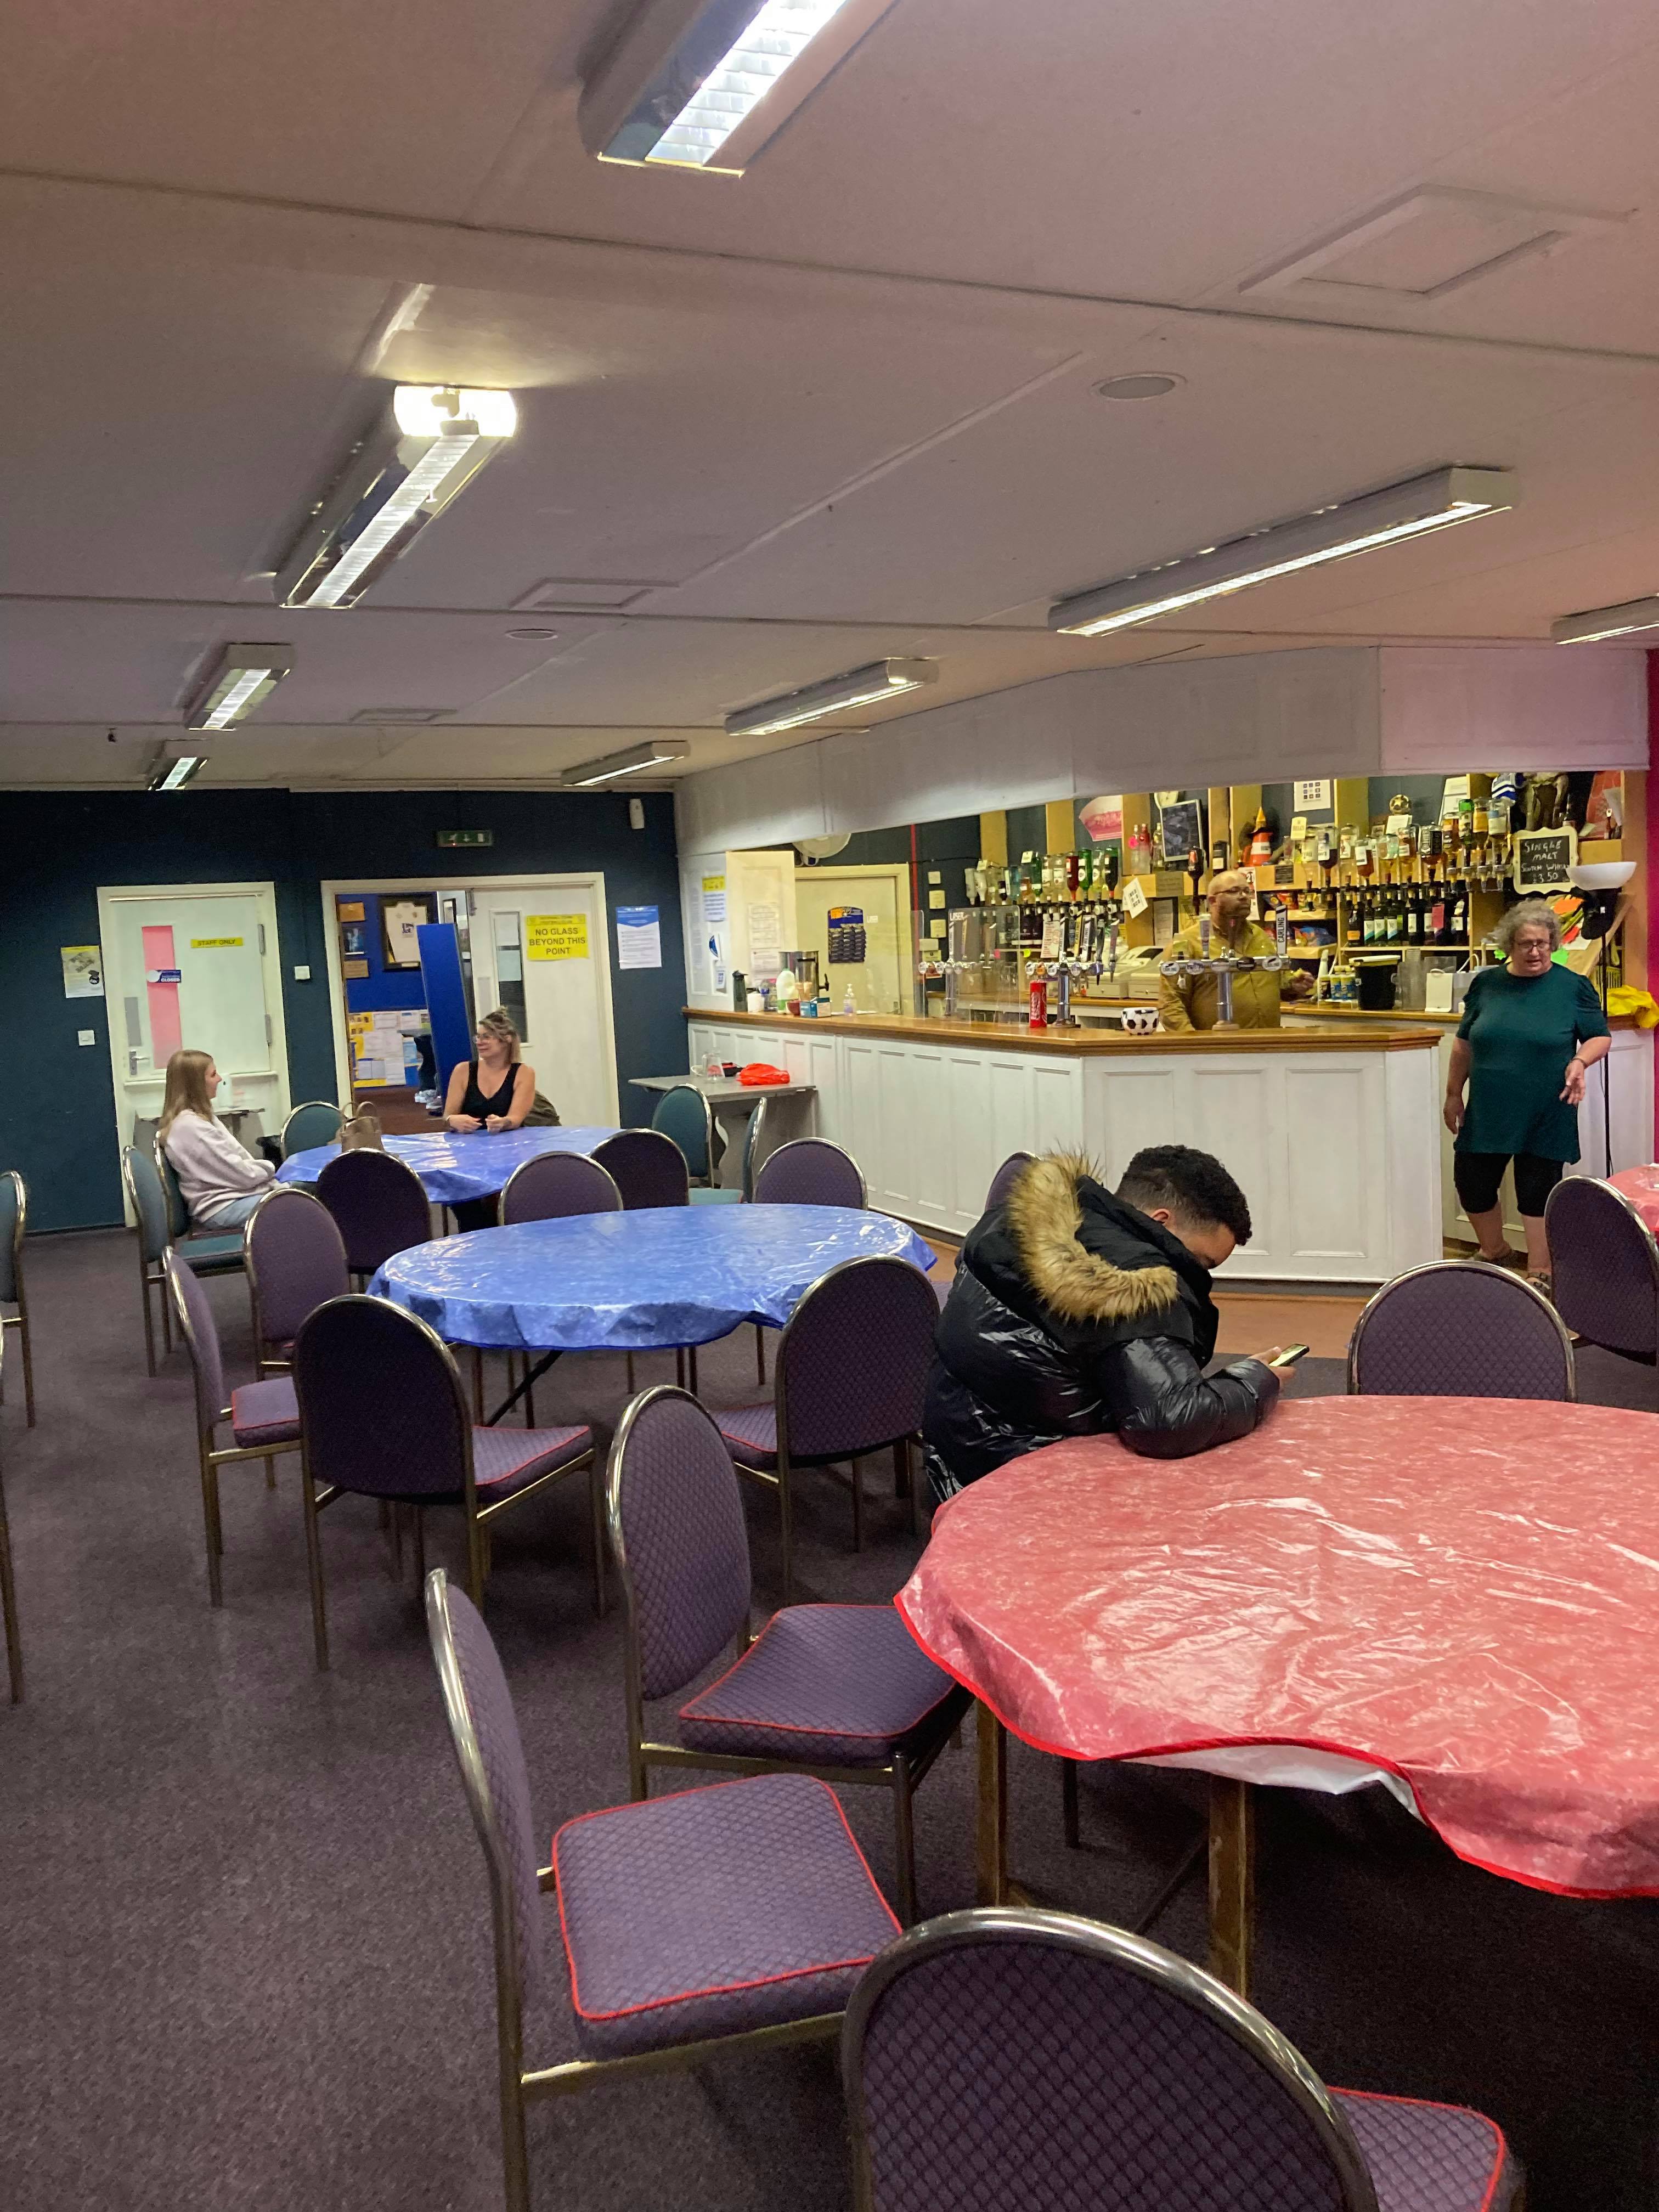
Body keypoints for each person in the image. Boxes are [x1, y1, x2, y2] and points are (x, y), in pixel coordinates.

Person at [924, 1144, 1283, 1499]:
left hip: (955, 1453)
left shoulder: (1019, 1217)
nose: (1199, 1276)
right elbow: (1169, 1422)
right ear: (1161, 1221)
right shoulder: (1137, 1287)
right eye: (1202, 1262)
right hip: (1034, 1486)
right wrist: (1254, 1381)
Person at [1445, 899, 1610, 1290]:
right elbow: (1463, 1044)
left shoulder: (1573, 987)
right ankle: (1495, 1251)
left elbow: (1599, 1037)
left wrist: (1580, 1061)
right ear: (1510, 945)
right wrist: (1453, 1094)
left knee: (1536, 1189)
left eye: (1542, 943)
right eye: (1525, 944)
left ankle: (1540, 1270)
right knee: (1471, 1182)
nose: (1535, 952)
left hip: (1547, 1106)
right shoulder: (1486, 985)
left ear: (1553, 943)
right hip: (1489, 1106)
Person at [441, 1010, 560, 1229]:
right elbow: (448, 1115)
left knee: (511, 1208)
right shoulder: (463, 1071)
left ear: (506, 1040)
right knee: (469, 1212)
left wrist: (503, 1122)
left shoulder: (524, 1073)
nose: (480, 1042)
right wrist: (453, 1121)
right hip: (468, 1155)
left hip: (508, 1153)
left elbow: (516, 1117)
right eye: (478, 1037)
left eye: (486, 1037)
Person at [1158, 869, 1315, 1031]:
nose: (1243, 896)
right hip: (1215, 1043)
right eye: (1234, 891)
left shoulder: (1259, 936)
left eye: (1247, 891)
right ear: (1212, 900)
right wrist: (1193, 1041)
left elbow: (1274, 982)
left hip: (1267, 1040)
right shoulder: (1187, 943)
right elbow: (1171, 1003)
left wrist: (1292, 987)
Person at [158, 1048, 276, 1231]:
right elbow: (240, 1174)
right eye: (213, 1075)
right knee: (297, 1204)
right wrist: (271, 1169)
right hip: (222, 1208)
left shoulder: (198, 1119)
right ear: (196, 1084)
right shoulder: (190, 1127)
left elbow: (237, 1165)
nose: (220, 1079)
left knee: (296, 1193)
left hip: (230, 1197)